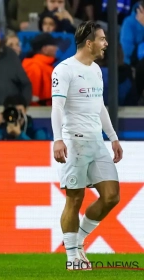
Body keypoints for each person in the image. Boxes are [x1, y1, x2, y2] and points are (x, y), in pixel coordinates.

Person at [51, 21, 123, 270]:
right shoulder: (64, 70)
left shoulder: (95, 70)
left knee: (112, 196)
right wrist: (57, 139)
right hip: (75, 142)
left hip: (97, 142)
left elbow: (100, 106)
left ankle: (78, 240)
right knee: (75, 198)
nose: (106, 43)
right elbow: (57, 107)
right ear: (89, 43)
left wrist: (113, 137)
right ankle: (72, 258)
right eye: (102, 39)